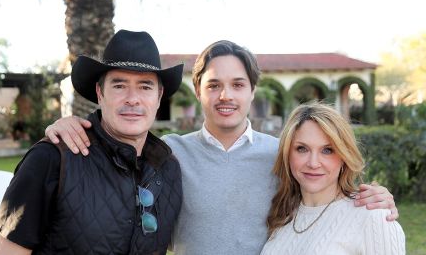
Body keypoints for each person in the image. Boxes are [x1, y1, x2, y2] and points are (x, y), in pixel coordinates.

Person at [44, 40, 399, 255]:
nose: (226, 95)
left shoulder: (284, 154)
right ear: (198, 90)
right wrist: (71, 125)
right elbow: (113, 148)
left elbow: (325, 191)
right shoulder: (166, 152)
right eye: (214, 85)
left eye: (237, 84)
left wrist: (374, 198)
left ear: (252, 91)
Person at [0, 29, 184, 255]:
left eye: (145, 86)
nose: (132, 99)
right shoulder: (52, 159)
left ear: (159, 97)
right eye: (119, 86)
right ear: (100, 93)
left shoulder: (168, 169)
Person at [261, 103, 405, 255]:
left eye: (327, 150)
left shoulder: (373, 216)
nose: (313, 163)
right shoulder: (283, 214)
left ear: (344, 156)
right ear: (287, 154)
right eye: (302, 149)